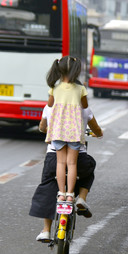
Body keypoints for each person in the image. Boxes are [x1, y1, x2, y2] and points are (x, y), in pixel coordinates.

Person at [29, 104, 103, 242]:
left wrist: (46, 129)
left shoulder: (50, 107)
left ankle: (46, 230)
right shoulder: (83, 108)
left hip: (53, 158)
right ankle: (81, 198)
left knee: (49, 185)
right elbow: (97, 129)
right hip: (79, 158)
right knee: (89, 168)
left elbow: (42, 127)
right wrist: (98, 134)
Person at [45, 56, 88, 203]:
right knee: (72, 164)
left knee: (60, 163)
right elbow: (85, 106)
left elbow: (50, 105)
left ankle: (61, 193)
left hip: (58, 130)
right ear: (76, 71)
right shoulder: (81, 89)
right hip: (74, 131)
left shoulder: (54, 88)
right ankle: (70, 194)